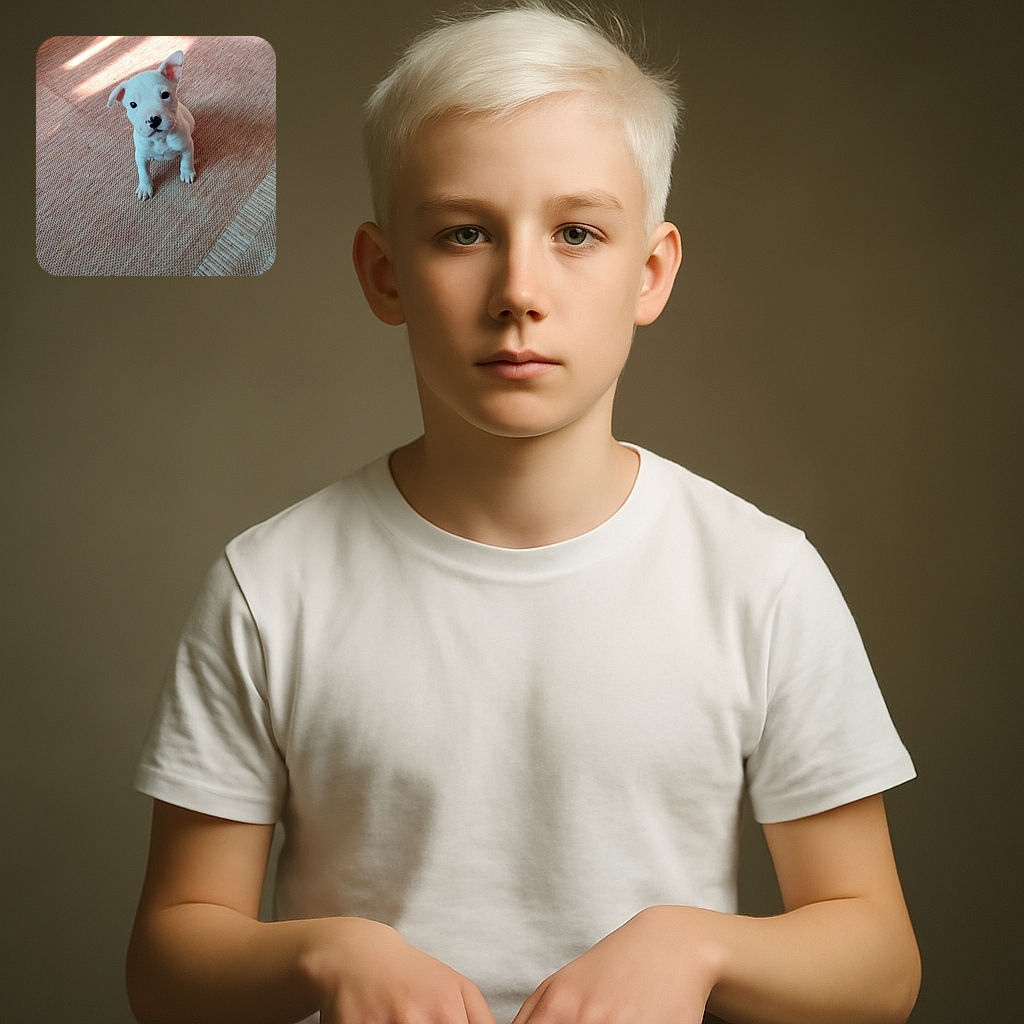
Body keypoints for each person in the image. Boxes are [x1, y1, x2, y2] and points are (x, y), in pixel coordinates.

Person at [125, 4, 920, 1023]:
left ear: (649, 272)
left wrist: (698, 947)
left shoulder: (762, 577)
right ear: (385, 274)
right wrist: (326, 952)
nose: (519, 291)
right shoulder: (270, 585)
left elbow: (878, 962)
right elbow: (167, 963)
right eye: (464, 233)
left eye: (577, 232)